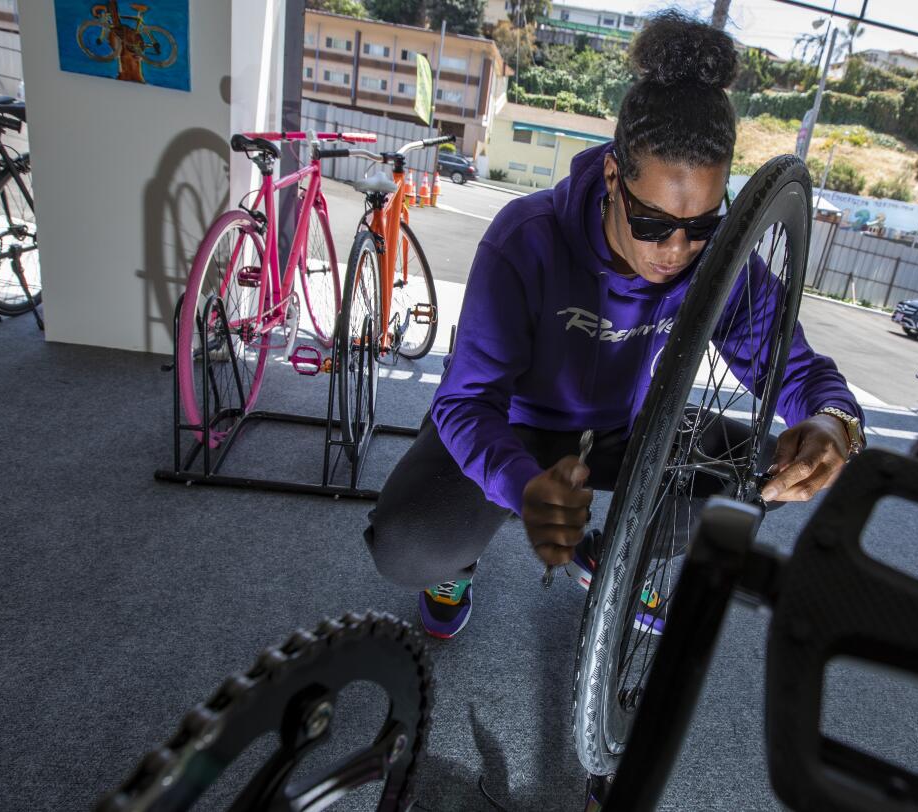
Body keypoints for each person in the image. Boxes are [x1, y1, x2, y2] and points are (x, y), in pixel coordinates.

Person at [365, 11, 864, 642]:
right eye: (654, 223)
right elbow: (465, 403)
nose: (677, 251)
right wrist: (524, 487)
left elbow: (796, 370)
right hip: (512, 427)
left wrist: (834, 420)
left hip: (628, 431)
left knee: (761, 470)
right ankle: (456, 566)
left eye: (703, 225)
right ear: (612, 178)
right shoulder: (525, 241)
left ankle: (621, 552)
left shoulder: (715, 260)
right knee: (408, 547)